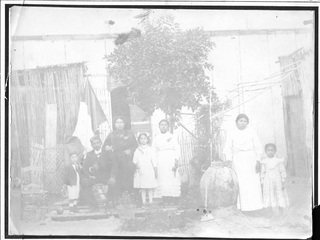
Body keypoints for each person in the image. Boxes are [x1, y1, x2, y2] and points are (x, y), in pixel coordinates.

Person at [223, 113, 263, 213]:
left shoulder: (251, 132)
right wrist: (229, 159)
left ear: (247, 123)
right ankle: (244, 208)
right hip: (238, 160)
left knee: (253, 183)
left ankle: (256, 207)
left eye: (245, 121)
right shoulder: (232, 133)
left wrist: (258, 160)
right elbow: (228, 147)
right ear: (236, 122)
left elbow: (258, 146)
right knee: (242, 183)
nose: (243, 123)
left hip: (251, 159)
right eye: (241, 120)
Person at [102, 116, 138, 200]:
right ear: (114, 124)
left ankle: (129, 198)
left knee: (128, 178)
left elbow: (135, 146)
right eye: (117, 122)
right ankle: (117, 198)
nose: (119, 124)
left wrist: (130, 150)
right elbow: (105, 147)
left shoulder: (129, 134)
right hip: (115, 161)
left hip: (127, 160)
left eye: (121, 122)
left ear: (124, 124)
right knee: (116, 178)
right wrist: (108, 148)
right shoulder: (111, 135)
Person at [82, 135, 117, 210]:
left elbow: (114, 165)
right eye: (94, 143)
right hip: (95, 177)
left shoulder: (107, 152)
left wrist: (112, 176)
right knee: (85, 182)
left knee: (112, 182)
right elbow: (85, 168)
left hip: (106, 176)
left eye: (98, 142)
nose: (96, 144)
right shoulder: (89, 155)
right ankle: (93, 205)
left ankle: (109, 203)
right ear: (91, 145)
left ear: (101, 143)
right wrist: (91, 169)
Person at [152, 119, 181, 204]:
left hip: (171, 159)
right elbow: (153, 152)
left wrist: (176, 159)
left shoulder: (172, 137)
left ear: (168, 127)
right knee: (163, 178)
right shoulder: (156, 138)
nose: (163, 126)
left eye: (165, 125)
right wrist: (155, 165)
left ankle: (174, 199)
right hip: (161, 160)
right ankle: (165, 199)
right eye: (161, 125)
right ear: (159, 127)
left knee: (172, 177)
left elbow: (177, 149)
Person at [261, 143, 289, 216]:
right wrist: (262, 182)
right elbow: (262, 173)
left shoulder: (278, 161)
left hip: (277, 180)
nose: (270, 152)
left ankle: (281, 212)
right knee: (269, 194)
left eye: (272, 150)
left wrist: (283, 181)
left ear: (275, 151)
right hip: (268, 180)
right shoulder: (264, 161)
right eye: (268, 150)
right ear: (266, 151)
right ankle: (270, 213)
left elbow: (282, 171)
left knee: (279, 194)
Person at [133, 133, 158, 207]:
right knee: (143, 186)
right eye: (141, 139)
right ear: (139, 140)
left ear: (147, 140)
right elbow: (135, 159)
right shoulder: (137, 150)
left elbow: (154, 159)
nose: (143, 140)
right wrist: (136, 165)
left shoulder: (151, 149)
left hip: (149, 169)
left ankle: (150, 201)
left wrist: (155, 168)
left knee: (150, 186)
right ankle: (143, 201)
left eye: (145, 139)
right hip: (141, 169)